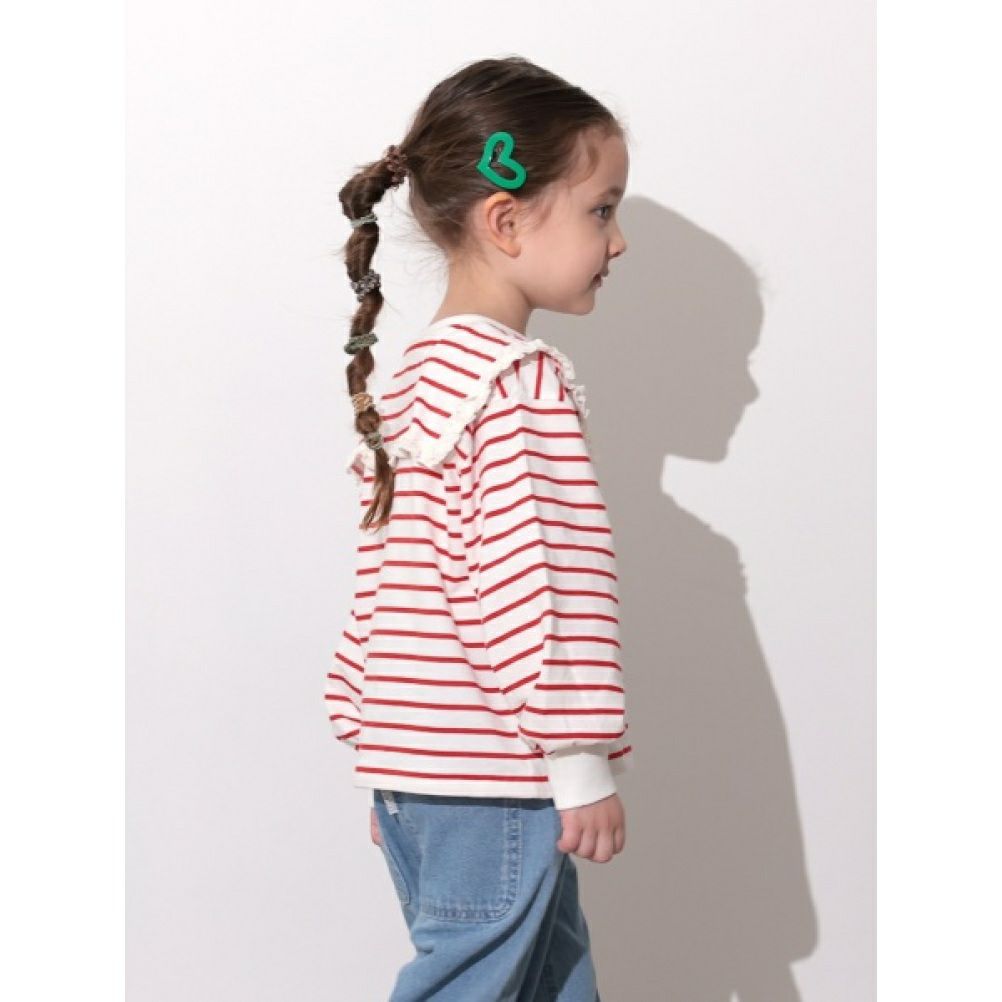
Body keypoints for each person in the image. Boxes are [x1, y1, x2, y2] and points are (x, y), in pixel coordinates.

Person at [324, 55, 633, 1001]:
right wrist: (579, 758)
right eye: (602, 210)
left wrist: (382, 745)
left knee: (551, 983)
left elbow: (385, 582)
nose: (618, 241)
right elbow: (539, 583)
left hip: (423, 770)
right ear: (506, 221)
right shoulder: (517, 381)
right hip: (495, 771)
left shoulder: (412, 382)